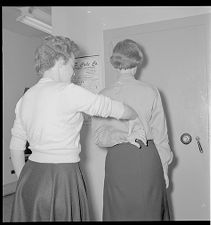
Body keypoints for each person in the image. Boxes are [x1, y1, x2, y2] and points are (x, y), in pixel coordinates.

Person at [9, 35, 139, 222]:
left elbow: (16, 145)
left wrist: (23, 182)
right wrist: (135, 115)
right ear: (60, 61)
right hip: (62, 176)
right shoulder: (68, 91)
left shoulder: (26, 98)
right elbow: (113, 108)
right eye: (72, 65)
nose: (73, 73)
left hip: (30, 177)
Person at [92, 39, 174, 221]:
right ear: (137, 62)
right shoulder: (151, 91)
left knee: (119, 213)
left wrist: (121, 135)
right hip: (148, 159)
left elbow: (99, 137)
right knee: (150, 212)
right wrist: (165, 170)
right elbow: (161, 136)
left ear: (115, 63)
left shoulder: (102, 95)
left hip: (118, 161)